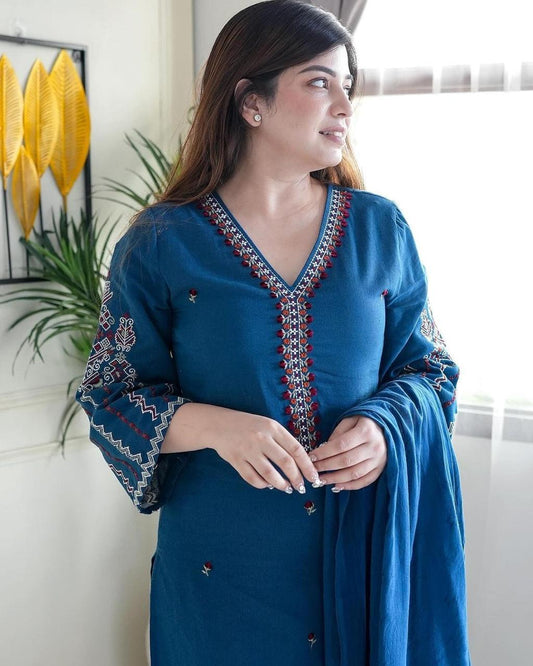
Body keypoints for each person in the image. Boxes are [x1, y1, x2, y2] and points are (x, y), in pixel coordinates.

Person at [76, 1, 471, 664]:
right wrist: (217, 426)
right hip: (220, 578)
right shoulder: (162, 242)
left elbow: (431, 372)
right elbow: (110, 393)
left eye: (348, 86)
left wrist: (384, 428)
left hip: (358, 567)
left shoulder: (379, 230)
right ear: (250, 102)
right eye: (319, 82)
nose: (344, 106)